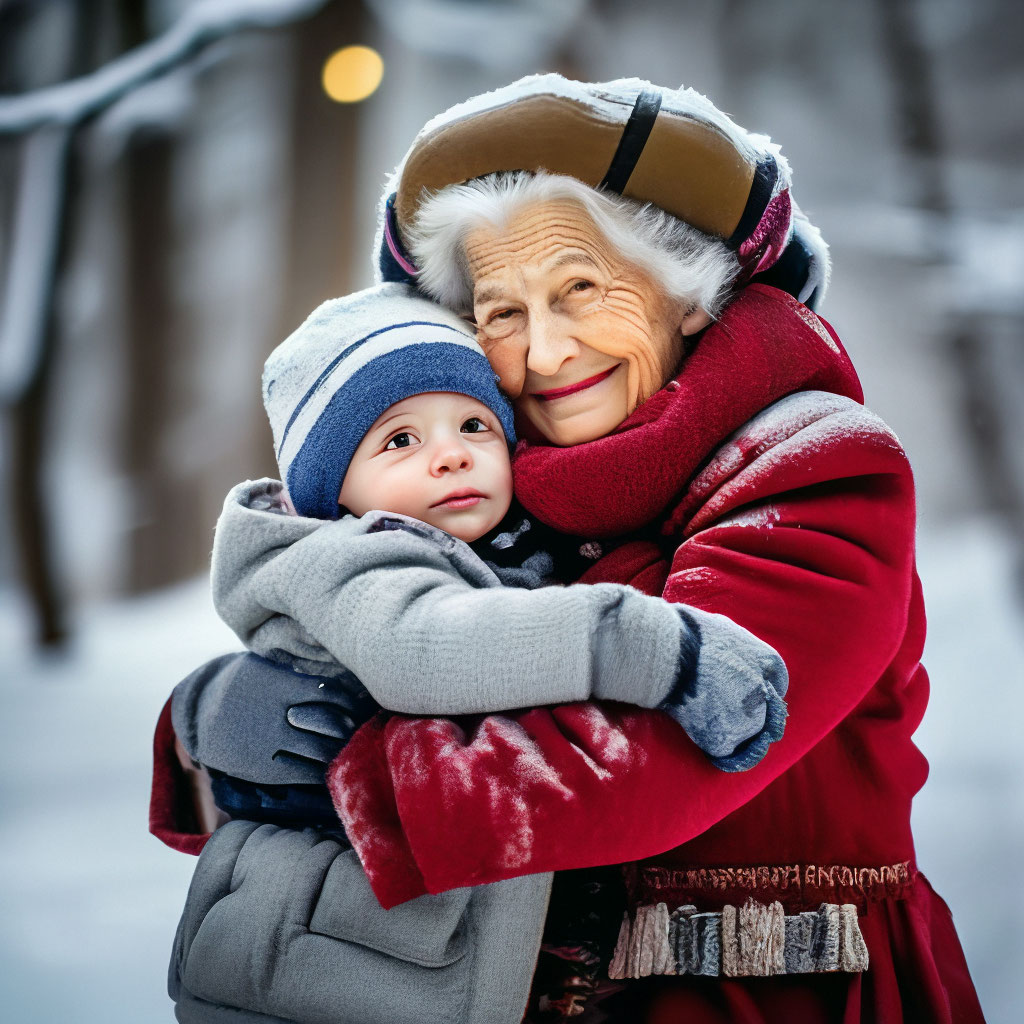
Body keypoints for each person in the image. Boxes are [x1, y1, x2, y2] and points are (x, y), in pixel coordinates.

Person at [154, 75, 985, 1022]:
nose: (544, 352)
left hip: (775, 997)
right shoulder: (487, 477)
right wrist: (215, 723)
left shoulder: (817, 465)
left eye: (580, 289)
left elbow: (666, 747)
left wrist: (354, 772)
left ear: (690, 295)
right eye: (502, 313)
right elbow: (363, 609)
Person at [158, 281, 787, 1023]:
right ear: (332, 489)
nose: (451, 456)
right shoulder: (354, 559)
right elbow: (428, 647)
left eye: (474, 425)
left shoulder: (501, 553)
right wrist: (656, 646)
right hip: (319, 966)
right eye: (400, 440)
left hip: (396, 960)